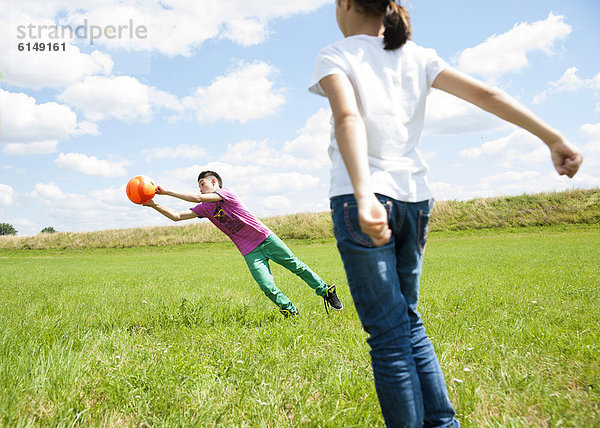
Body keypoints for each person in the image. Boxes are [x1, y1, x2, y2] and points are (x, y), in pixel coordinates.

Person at [308, 0, 583, 427]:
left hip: (362, 199)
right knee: (407, 321)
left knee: (387, 335)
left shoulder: (335, 54)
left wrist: (364, 196)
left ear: (345, 4)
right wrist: (553, 138)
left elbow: (348, 116)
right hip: (415, 200)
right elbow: (488, 95)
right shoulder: (418, 56)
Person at [142, 170, 343, 317]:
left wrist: (167, 192)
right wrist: (154, 204)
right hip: (249, 250)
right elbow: (177, 216)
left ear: (214, 182)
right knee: (267, 286)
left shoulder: (227, 194)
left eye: (202, 184)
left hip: (266, 238)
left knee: (297, 266)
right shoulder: (205, 208)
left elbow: (196, 197)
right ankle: (291, 312)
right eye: (199, 185)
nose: (200, 188)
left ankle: (326, 291)